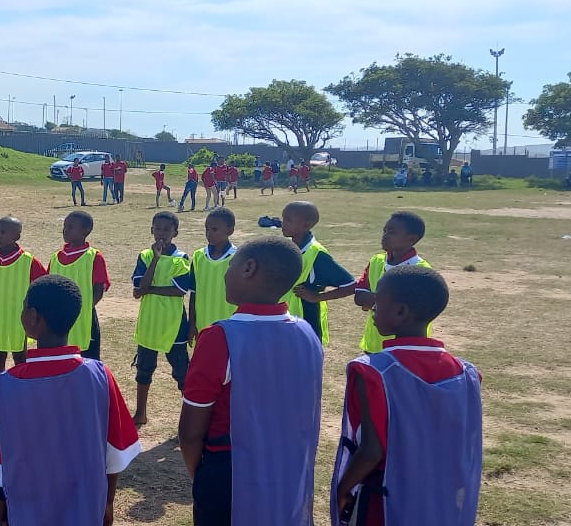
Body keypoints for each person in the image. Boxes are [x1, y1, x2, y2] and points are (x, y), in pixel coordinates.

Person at [178, 236, 324, 526]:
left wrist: (204, 475)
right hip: (288, 472)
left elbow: (191, 431)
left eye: (230, 266)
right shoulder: (308, 334)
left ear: (248, 268)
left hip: (229, 471)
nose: (226, 273)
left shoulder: (219, 337)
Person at [0, 275, 141, 525]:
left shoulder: (4, 386)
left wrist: (2, 514)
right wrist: (107, 501)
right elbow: (115, 452)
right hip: (86, 512)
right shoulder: (100, 376)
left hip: (26, 513)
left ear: (32, 317)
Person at [332, 266, 482, 526]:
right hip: (442, 497)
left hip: (386, 499)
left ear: (401, 311)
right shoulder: (467, 373)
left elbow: (372, 450)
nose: (372, 309)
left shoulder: (372, 371)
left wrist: (343, 489)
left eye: (378, 302)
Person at [130, 211, 193, 427]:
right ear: (151, 230)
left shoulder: (181, 258)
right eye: (158, 229)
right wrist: (155, 260)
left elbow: (179, 290)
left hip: (173, 323)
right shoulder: (145, 256)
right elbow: (140, 289)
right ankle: (141, 412)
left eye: (167, 230)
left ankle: (189, 418)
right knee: (144, 369)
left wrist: (149, 290)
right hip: (149, 322)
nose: (162, 233)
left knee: (182, 372)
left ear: (175, 233)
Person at [346, 211, 432, 354]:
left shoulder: (421, 271)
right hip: (374, 344)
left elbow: (414, 311)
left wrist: (374, 301)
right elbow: (359, 297)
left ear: (411, 239)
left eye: (391, 232)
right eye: (384, 231)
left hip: (407, 348)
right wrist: (390, 302)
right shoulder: (376, 261)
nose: (385, 236)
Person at [0, 216, 48, 375]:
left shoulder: (28, 261)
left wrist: (34, 316)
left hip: (19, 321)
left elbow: (44, 285)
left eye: (3, 232)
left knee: (20, 358)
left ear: (17, 236)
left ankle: (23, 388)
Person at [278, 201, 356, 344]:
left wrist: (317, 297)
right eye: (283, 219)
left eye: (288, 220)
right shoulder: (287, 247)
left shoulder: (317, 255)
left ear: (306, 225)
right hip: (284, 323)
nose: (283, 223)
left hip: (307, 324)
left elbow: (351, 285)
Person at [48, 210, 110, 361]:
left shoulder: (94, 256)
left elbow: (98, 291)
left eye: (70, 226)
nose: (65, 230)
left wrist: (82, 310)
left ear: (85, 231)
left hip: (84, 320)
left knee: (87, 361)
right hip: (59, 319)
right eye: (64, 226)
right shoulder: (56, 257)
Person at [189, 208, 238, 336]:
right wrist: (192, 323)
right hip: (203, 326)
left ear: (230, 230)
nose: (209, 233)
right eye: (207, 229)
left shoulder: (238, 258)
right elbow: (193, 294)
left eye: (214, 229)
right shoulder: (198, 256)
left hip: (230, 328)